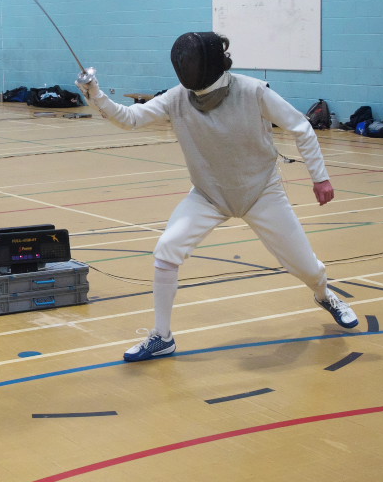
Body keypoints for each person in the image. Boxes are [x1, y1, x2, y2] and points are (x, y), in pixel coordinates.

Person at [75, 31, 358, 363]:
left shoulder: (253, 91)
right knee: (167, 249)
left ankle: (324, 295)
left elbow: (301, 127)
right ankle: (162, 337)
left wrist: (320, 177)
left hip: (261, 192)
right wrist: (95, 93)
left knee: (306, 268)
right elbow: (130, 119)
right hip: (208, 194)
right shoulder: (177, 97)